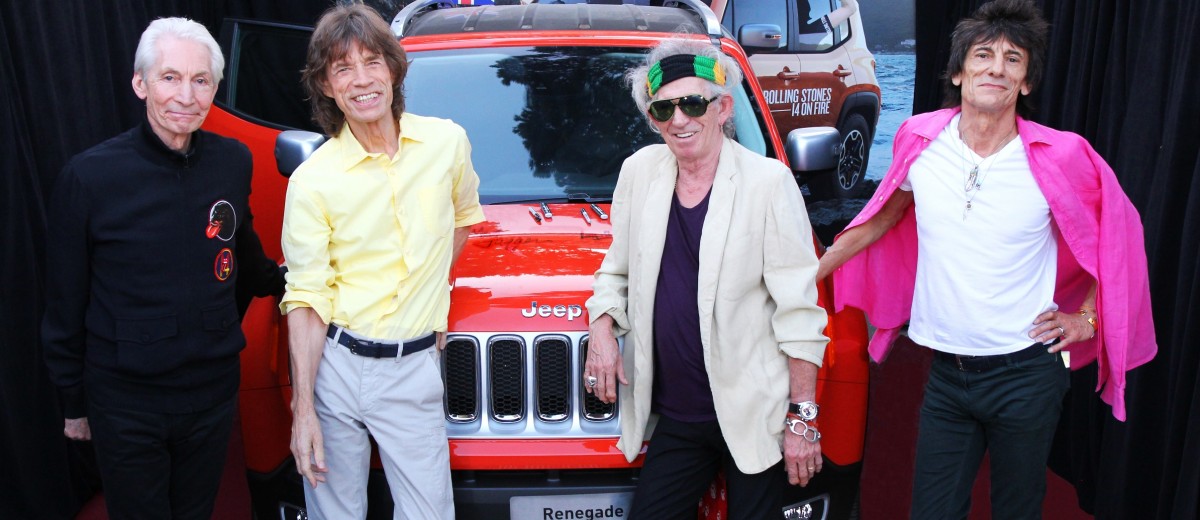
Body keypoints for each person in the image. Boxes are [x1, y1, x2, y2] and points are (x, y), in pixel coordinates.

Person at [816, 0, 1156, 517]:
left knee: (1016, 511)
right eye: (983, 55)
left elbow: (1119, 235)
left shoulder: (1061, 156)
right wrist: (809, 275)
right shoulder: (920, 139)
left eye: (1013, 59)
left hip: (1025, 375)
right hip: (946, 377)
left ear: (1026, 83)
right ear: (958, 73)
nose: (997, 68)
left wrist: (1087, 318)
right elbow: (882, 217)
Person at [40, 17, 285, 519]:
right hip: (126, 401)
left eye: (201, 80)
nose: (186, 96)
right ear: (140, 84)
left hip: (212, 392)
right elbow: (65, 303)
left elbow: (242, 249)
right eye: (170, 77)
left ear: (215, 89)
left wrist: (295, 285)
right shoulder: (89, 178)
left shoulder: (232, 161)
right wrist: (73, 403)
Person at [584, 38, 830, 519]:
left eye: (693, 103)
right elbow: (616, 269)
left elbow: (799, 313)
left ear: (723, 109)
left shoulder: (768, 183)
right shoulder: (639, 172)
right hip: (678, 415)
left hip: (753, 413)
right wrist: (601, 325)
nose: (679, 119)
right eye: (664, 108)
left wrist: (802, 418)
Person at [280, 4, 484, 519]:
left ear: (394, 69)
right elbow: (306, 297)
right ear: (326, 85)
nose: (362, 80)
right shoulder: (313, 181)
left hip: (412, 367)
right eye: (342, 68)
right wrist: (303, 409)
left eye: (372, 62)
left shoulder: (446, 143)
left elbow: (463, 220)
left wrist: (433, 296)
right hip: (336, 365)